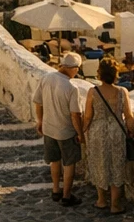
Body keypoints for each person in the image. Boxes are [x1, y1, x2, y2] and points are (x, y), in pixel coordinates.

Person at [80, 56, 134, 213]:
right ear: (115, 74)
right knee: (117, 166)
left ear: (99, 74)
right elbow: (129, 115)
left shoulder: (93, 92)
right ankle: (115, 205)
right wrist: (130, 131)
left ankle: (101, 201)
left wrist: (82, 132)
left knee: (100, 164)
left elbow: (87, 116)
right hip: (116, 133)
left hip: (98, 132)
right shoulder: (122, 91)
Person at [33, 52, 85, 207]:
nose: (77, 72)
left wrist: (40, 121)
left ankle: (55, 190)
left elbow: (38, 102)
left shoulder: (46, 78)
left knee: (55, 161)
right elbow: (75, 115)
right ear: (73, 68)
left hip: (49, 129)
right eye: (77, 69)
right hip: (66, 132)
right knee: (69, 163)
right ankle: (66, 196)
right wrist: (81, 134)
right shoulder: (71, 87)